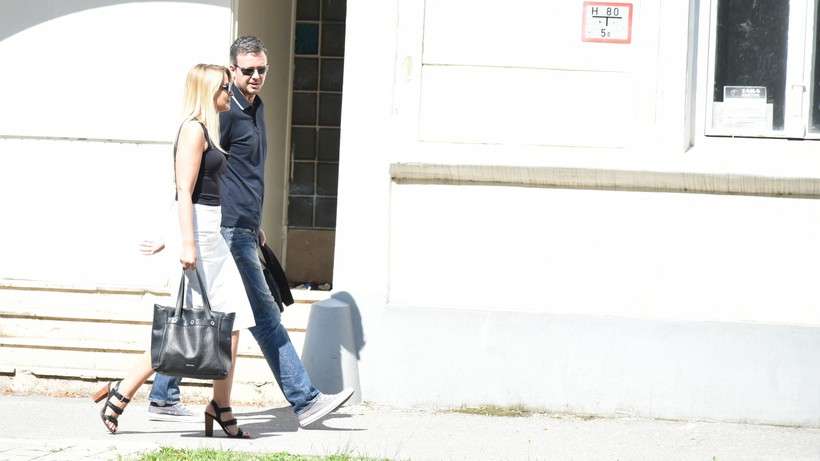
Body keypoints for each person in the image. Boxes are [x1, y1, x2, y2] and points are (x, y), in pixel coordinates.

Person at [149, 36, 354, 427]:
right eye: (248, 70)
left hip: (243, 226)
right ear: (232, 69)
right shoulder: (224, 111)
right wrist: (175, 232)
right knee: (263, 316)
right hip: (226, 230)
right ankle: (305, 400)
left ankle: (159, 395)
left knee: (203, 314)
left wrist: (254, 222)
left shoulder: (256, 108)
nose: (256, 76)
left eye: (262, 69)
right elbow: (191, 176)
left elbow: (242, 174)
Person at [93, 64, 253, 439]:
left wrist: (174, 236)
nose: (230, 93)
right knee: (181, 328)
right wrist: (186, 243)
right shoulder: (193, 130)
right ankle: (122, 392)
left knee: (233, 322)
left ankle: (220, 404)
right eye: (224, 88)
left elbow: (194, 193)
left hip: (209, 236)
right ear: (207, 90)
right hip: (199, 240)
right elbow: (183, 190)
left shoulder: (207, 129)